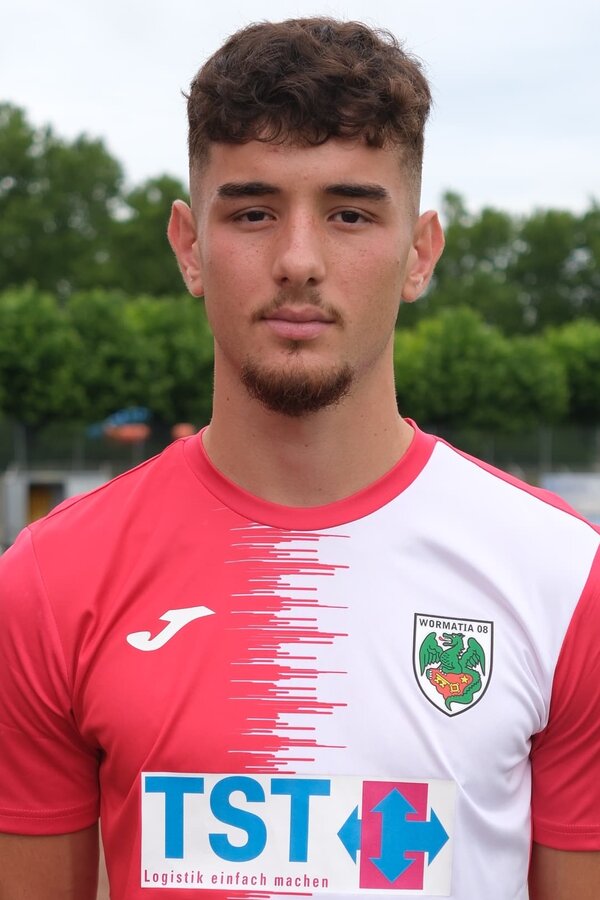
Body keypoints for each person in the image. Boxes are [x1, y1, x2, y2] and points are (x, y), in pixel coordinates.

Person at [0, 17, 599, 900]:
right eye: (253, 212)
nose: (298, 261)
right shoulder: (49, 582)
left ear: (420, 253)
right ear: (189, 247)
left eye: (351, 214)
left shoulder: (564, 579)